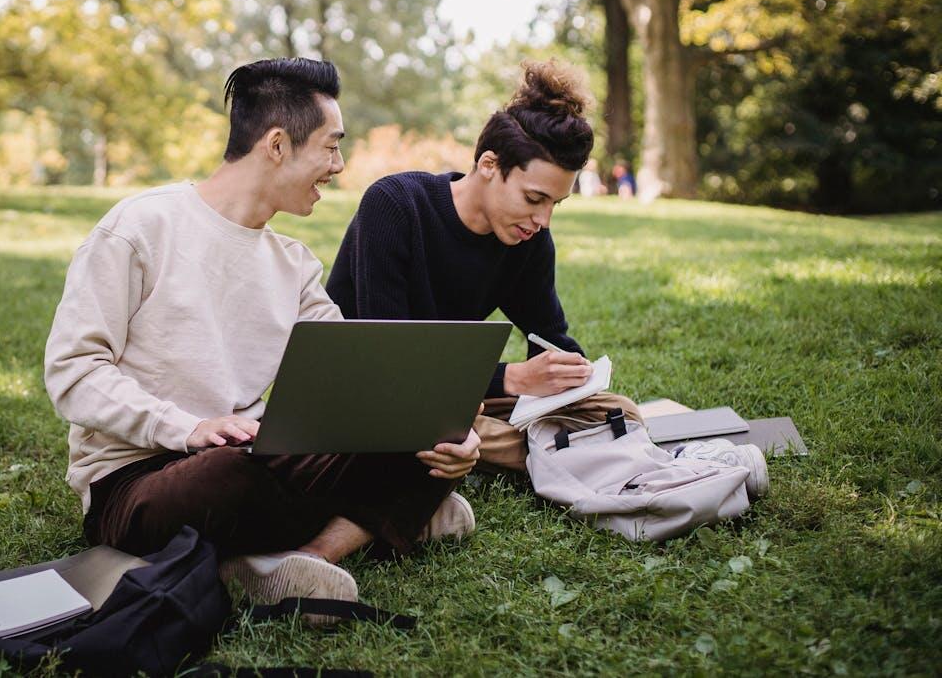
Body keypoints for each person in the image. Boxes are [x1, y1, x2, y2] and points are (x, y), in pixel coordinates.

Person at [44, 58, 482, 608]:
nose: (339, 165)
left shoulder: (293, 263)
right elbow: (73, 372)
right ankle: (381, 518)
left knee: (418, 438)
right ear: (277, 145)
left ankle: (306, 557)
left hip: (253, 451)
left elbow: (358, 380)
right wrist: (188, 427)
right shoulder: (138, 228)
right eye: (330, 146)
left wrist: (443, 430)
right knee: (230, 477)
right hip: (139, 480)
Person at [326, 61, 643, 473]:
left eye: (554, 205)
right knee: (424, 424)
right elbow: (388, 360)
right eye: (534, 199)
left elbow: (549, 336)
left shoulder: (528, 239)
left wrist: (568, 373)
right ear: (490, 165)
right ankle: (547, 448)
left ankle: (506, 445)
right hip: (371, 390)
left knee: (619, 412)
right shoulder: (396, 205)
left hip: (452, 395)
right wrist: (511, 379)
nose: (543, 220)